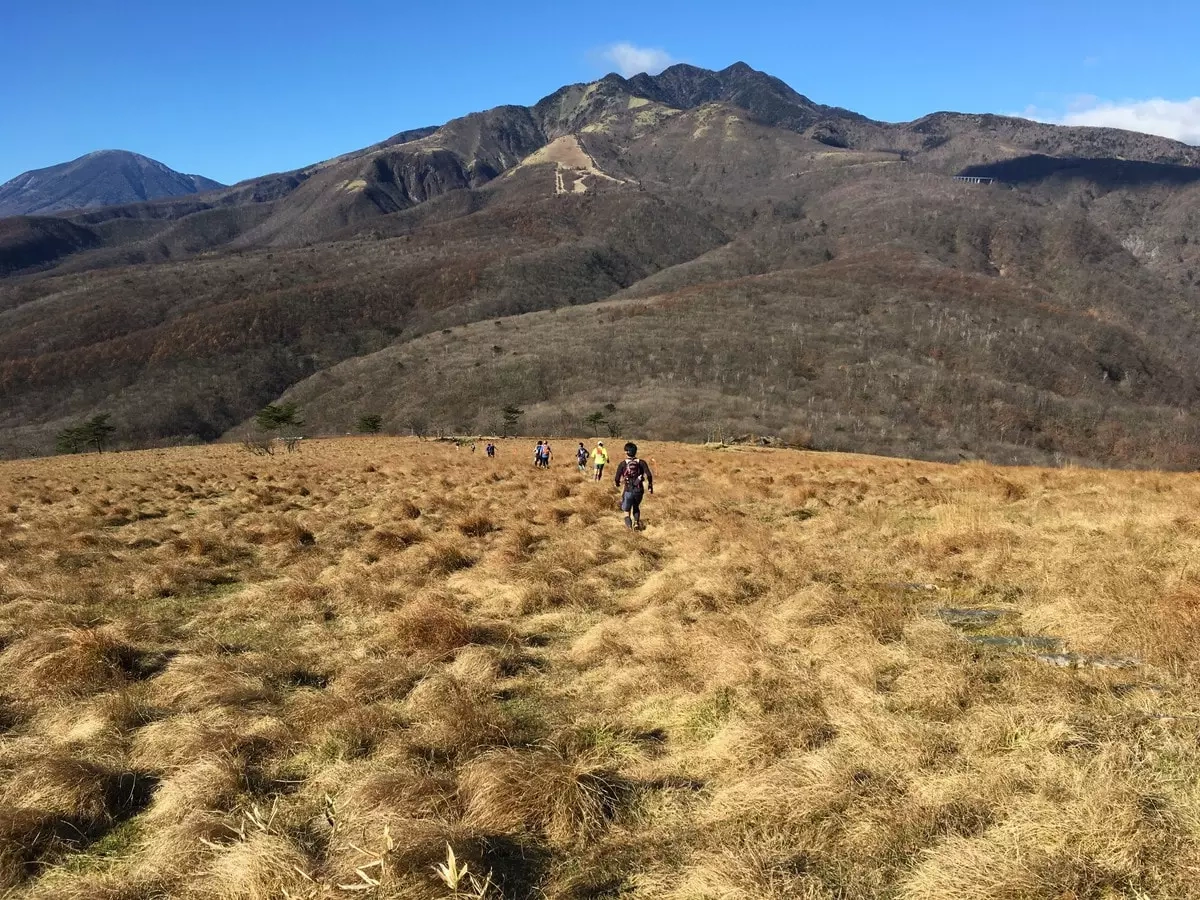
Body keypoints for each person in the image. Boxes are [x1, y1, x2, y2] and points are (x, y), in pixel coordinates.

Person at [613, 441, 653, 530]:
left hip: (628, 490)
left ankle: (629, 528)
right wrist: (650, 485)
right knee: (636, 506)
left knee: (626, 511)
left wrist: (617, 483)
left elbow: (617, 477)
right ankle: (636, 523)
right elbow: (649, 475)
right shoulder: (642, 462)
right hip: (639, 489)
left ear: (627, 452)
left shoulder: (623, 463)